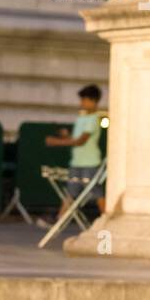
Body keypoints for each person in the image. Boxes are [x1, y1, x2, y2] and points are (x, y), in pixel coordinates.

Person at [45, 83, 108, 219]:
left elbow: (81, 141)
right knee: (71, 192)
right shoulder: (81, 118)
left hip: (90, 163)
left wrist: (57, 143)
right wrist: (66, 136)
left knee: (97, 193)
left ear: (93, 101)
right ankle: (59, 220)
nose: (82, 103)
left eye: (84, 100)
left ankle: (105, 218)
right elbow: (75, 139)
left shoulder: (94, 120)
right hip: (77, 162)